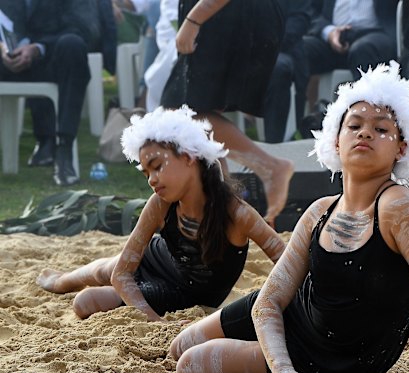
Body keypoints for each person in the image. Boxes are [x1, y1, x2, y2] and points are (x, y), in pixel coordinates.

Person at [167, 63, 409, 373]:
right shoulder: (320, 210)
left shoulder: (399, 208)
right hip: (295, 319)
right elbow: (269, 302)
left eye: (381, 129)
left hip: (334, 358)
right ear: (336, 141)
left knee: (190, 362)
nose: (365, 133)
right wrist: (283, 372)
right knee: (181, 345)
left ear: (401, 148)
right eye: (355, 125)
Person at [36, 106, 286, 322]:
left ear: (188, 157)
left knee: (86, 302)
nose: (152, 180)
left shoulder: (237, 213)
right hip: (159, 256)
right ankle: (61, 282)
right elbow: (121, 273)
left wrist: (150, 317)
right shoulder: (161, 203)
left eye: (157, 167)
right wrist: (154, 322)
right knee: (106, 270)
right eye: (146, 173)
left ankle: (64, 281)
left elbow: (287, 261)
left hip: (179, 293)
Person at [160, 0, 294, 227]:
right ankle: (225, 208)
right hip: (228, 14)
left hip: (227, 14)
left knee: (181, 112)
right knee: (192, 115)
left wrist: (194, 20)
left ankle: (267, 168)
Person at [0, 0, 93, 186]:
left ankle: (64, 149)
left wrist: (37, 48)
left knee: (73, 45)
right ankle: (44, 143)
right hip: (7, 60)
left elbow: (84, 29)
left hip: (51, 58)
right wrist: (2, 49)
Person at [303, 0, 399, 82]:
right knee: (299, 49)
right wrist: (329, 32)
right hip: (333, 35)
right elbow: (309, 9)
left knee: (363, 50)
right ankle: (295, 103)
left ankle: (363, 103)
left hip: (377, 34)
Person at [261, 0, 311, 143]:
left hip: (279, 47)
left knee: (278, 69)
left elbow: (298, 20)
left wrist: (264, 46)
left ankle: (274, 145)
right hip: (232, 49)